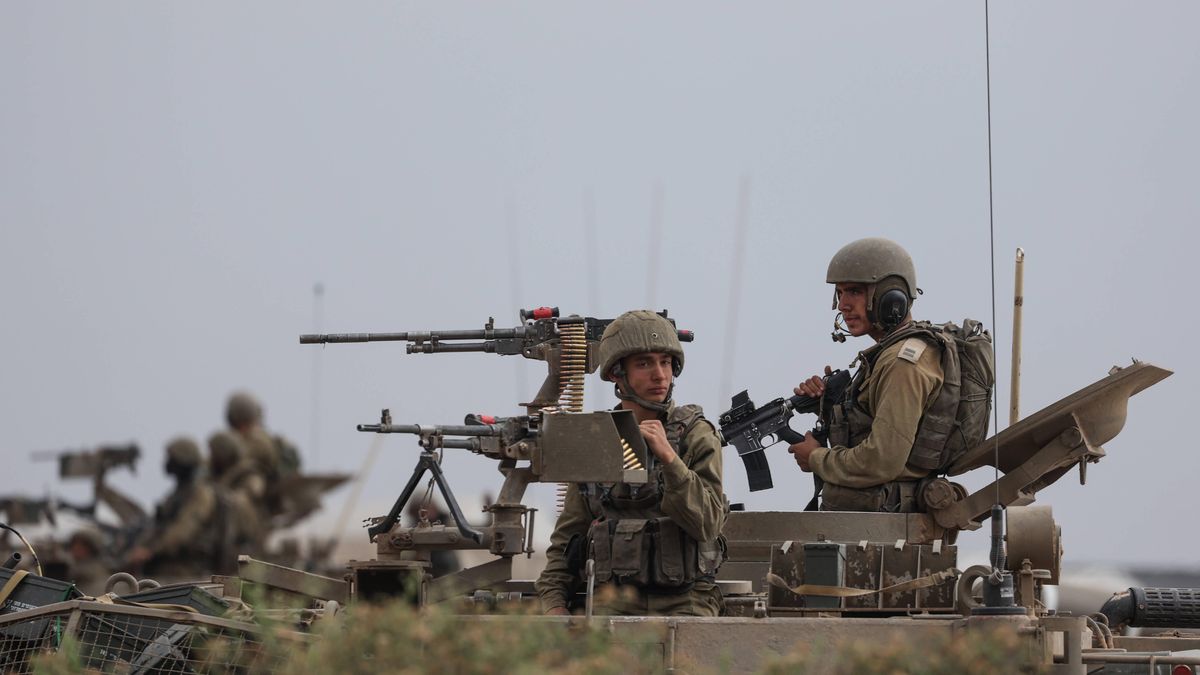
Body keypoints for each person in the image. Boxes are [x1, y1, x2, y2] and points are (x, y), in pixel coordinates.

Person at [535, 310, 727, 616]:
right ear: (616, 373)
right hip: (611, 603)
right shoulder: (598, 440)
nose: (659, 375)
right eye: (644, 363)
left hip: (687, 601)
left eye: (665, 362)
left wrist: (670, 460)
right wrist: (554, 604)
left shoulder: (695, 434)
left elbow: (708, 522)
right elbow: (567, 540)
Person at [787, 237, 949, 512]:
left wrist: (816, 458)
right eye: (840, 293)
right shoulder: (887, 356)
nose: (843, 305)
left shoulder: (902, 364)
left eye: (854, 292)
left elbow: (881, 460)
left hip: (883, 527)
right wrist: (829, 407)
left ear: (891, 296)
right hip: (871, 521)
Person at [125, 437, 219, 580]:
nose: (168, 462)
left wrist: (150, 551)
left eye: (172, 458)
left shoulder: (200, 493)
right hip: (164, 566)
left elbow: (183, 531)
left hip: (184, 569)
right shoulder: (178, 492)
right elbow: (158, 525)